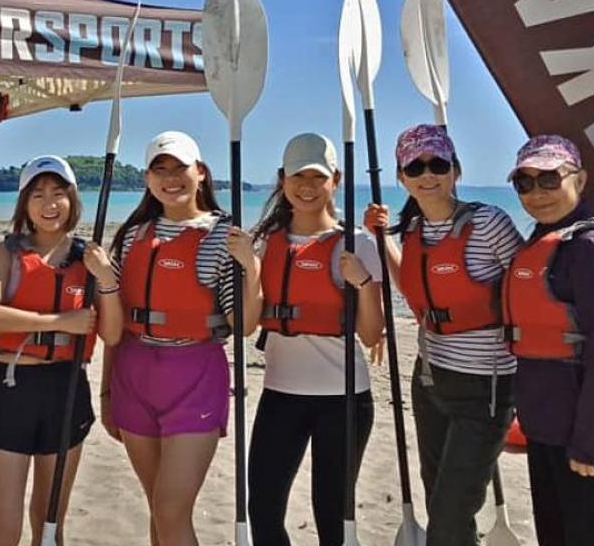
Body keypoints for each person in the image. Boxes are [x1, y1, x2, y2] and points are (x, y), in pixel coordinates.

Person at [364, 124, 524, 546]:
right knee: (440, 502)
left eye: (438, 163)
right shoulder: (414, 230)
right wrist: (383, 241)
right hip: (430, 380)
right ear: (401, 177)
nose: (427, 173)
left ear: (455, 169)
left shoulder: (489, 222)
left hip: (486, 388)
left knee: (451, 515)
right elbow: (415, 290)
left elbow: (528, 283)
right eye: (415, 166)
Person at [101, 130, 260, 546]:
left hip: (195, 375)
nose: (171, 178)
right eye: (160, 170)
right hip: (133, 375)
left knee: (172, 510)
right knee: (158, 510)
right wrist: (105, 393)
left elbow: (243, 325)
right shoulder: (133, 236)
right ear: (148, 180)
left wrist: (252, 269)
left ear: (201, 173)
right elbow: (113, 323)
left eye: (180, 168)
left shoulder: (222, 238)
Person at [0, 155, 122, 546]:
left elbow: (112, 333)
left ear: (72, 200)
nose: (49, 203)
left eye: (58, 193)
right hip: (11, 387)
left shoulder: (89, 259)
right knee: (4, 530)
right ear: (25, 203)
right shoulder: (5, 253)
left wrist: (106, 279)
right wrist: (58, 322)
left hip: (66, 388)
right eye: (38, 194)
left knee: (50, 522)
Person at [501, 135, 594, 546]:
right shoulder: (547, 241)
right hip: (544, 426)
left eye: (548, 179)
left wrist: (589, 443)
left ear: (578, 180)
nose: (536, 193)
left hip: (582, 435)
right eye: (524, 184)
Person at [247, 133, 384, 546]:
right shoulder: (261, 244)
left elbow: (372, 332)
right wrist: (247, 271)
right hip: (280, 394)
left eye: (317, 176)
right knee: (264, 508)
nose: (307, 186)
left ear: (335, 179)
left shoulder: (357, 243)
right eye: (297, 176)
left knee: (332, 514)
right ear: (282, 180)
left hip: (343, 398)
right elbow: (248, 325)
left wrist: (362, 283)